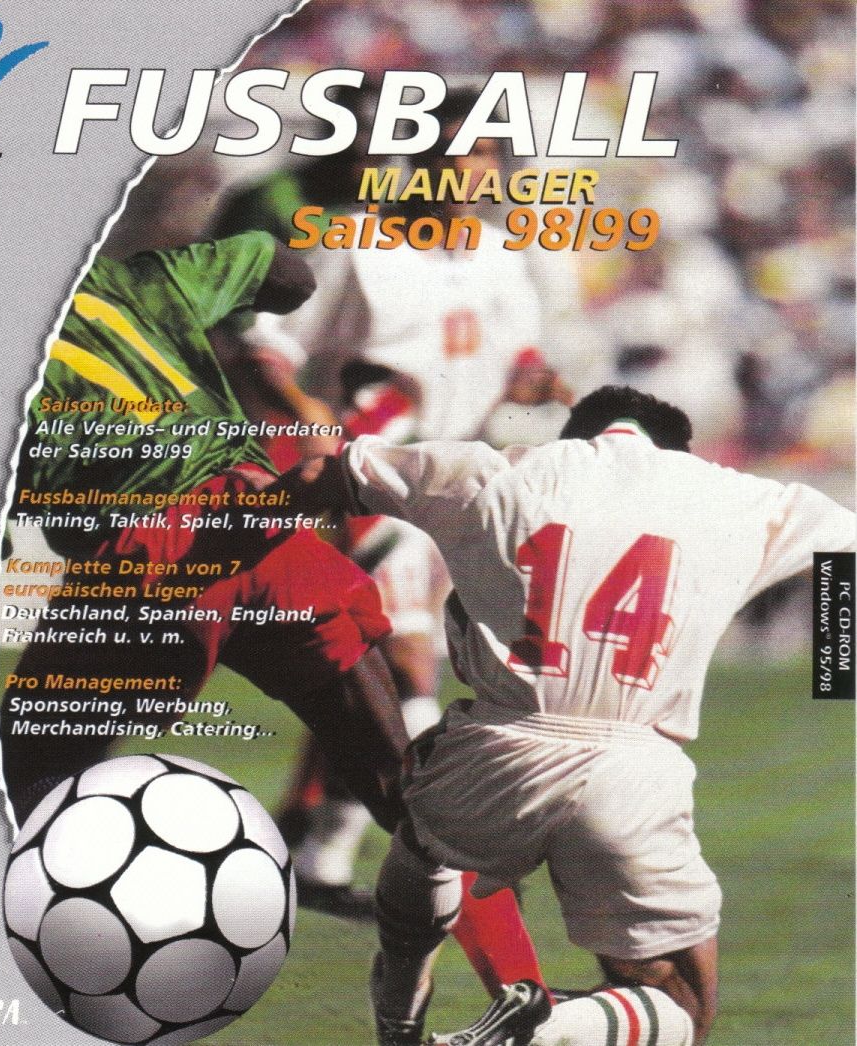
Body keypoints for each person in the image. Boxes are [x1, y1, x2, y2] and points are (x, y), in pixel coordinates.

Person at [268, 385, 856, 1046]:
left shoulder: (497, 470)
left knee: (421, 855)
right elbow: (845, 545)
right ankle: (539, 1028)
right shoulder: (740, 497)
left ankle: (400, 1026)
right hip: (632, 768)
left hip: (492, 744)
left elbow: (321, 474)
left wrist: (240, 526)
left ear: (575, 437)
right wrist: (837, 675)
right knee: (682, 1005)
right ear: (675, 451)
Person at [243, 88, 570, 915]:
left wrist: (541, 387)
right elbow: (262, 342)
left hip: (456, 482)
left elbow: (517, 361)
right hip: (368, 473)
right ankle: (448, 860)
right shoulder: (356, 245)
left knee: (371, 668)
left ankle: (319, 854)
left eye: (477, 154)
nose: (459, 170)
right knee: (404, 662)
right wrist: (310, 416)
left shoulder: (499, 257)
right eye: (441, 154)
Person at [0, 231, 409, 838]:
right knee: (402, 786)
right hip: (256, 526)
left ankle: (61, 891)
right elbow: (288, 274)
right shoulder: (125, 283)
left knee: (25, 781)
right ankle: (471, 887)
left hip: (140, 560)